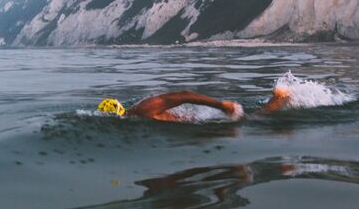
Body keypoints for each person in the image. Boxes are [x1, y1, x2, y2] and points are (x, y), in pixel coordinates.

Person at [97, 86, 292, 122]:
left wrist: (222, 105)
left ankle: (281, 99)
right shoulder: (136, 113)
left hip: (200, 125)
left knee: (253, 120)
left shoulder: (144, 109)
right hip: (195, 124)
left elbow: (184, 94)